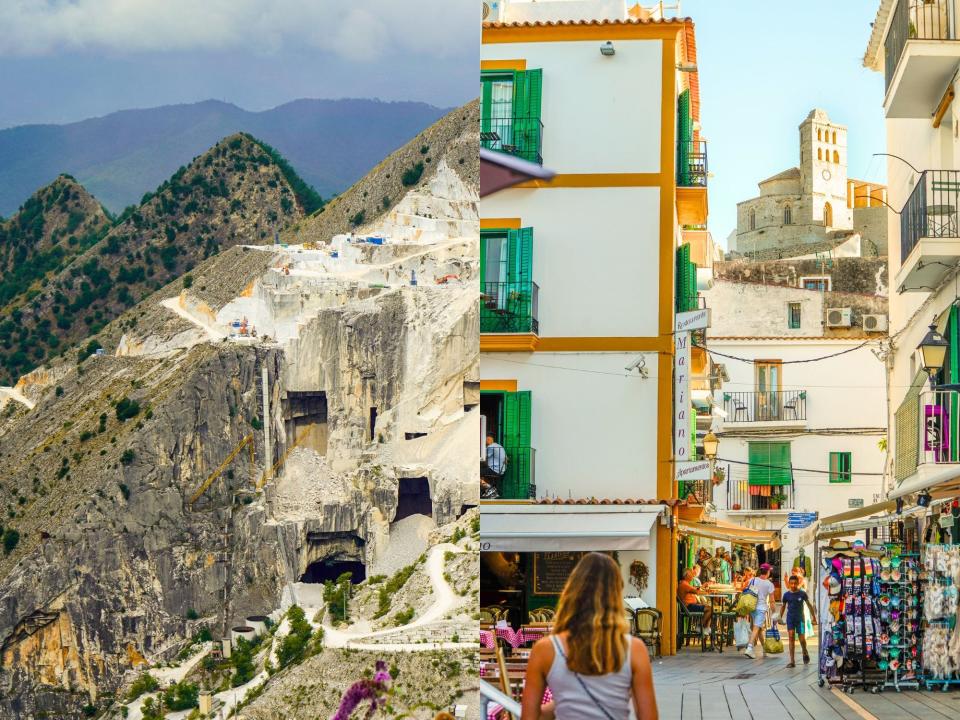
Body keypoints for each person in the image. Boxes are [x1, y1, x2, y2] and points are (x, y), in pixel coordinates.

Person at [521, 553, 658, 720]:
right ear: (615, 594)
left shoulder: (545, 649)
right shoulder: (634, 649)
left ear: (572, 591)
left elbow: (529, 717)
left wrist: (566, 701)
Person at [778, 574, 817, 668]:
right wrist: (779, 617)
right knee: (791, 637)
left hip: (800, 619)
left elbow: (809, 605)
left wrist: (814, 617)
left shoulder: (802, 594)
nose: (793, 585)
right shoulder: (786, 595)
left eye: (795, 583)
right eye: (791, 583)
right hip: (790, 619)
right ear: (789, 583)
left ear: (798, 583)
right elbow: (783, 606)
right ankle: (792, 661)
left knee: (802, 639)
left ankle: (804, 651)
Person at [742, 563, 775, 660]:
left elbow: (747, 590)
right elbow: (772, 601)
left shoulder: (752, 580)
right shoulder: (769, 584)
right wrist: (775, 614)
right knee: (756, 628)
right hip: (761, 609)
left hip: (752, 607)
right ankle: (749, 648)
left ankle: (764, 649)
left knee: (759, 628)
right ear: (768, 572)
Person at [678, 568, 712, 634]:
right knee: (710, 609)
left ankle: (706, 628)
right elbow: (697, 592)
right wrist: (709, 592)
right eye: (691, 573)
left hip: (690, 606)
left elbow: (695, 589)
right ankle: (700, 627)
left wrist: (702, 587)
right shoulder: (684, 584)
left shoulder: (685, 584)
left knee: (710, 608)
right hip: (688, 607)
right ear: (686, 575)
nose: (692, 575)